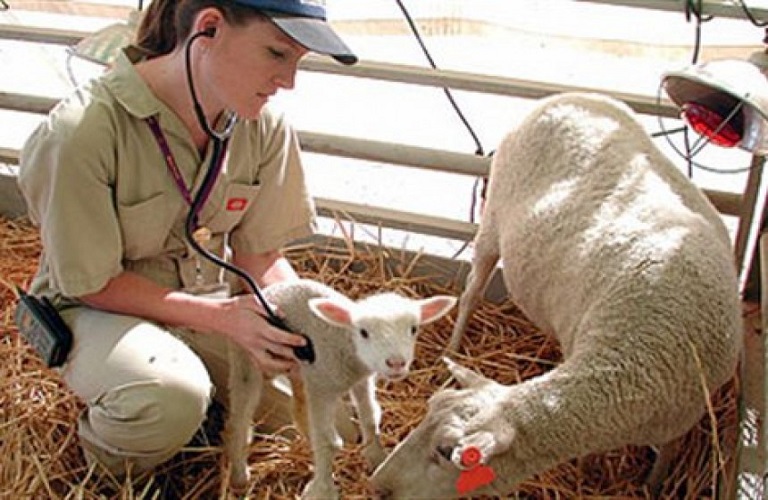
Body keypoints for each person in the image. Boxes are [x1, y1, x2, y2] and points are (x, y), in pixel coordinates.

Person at [16, 0, 357, 478]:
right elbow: (91, 283)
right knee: (167, 398)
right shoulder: (82, 132)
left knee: (339, 415)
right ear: (209, 27)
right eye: (277, 53)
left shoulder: (262, 125)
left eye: (299, 61)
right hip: (97, 309)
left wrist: (314, 326)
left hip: (208, 307)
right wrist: (222, 318)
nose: (289, 81)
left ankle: (199, 411)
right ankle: (105, 471)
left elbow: (260, 257)